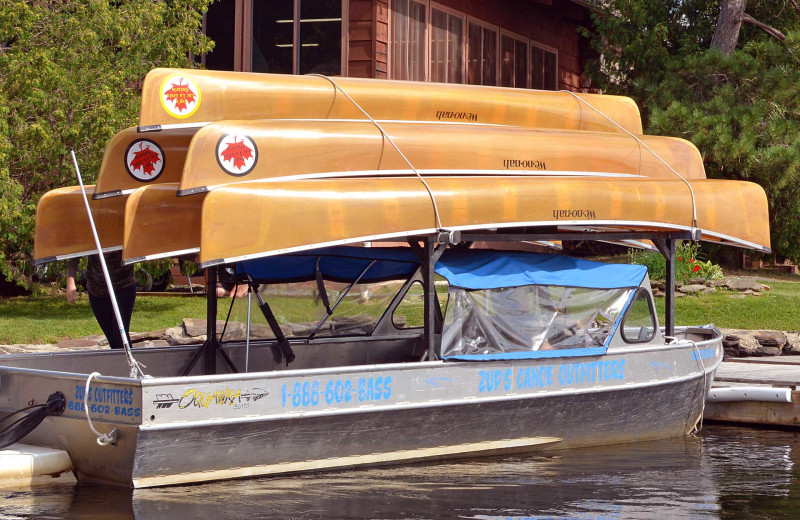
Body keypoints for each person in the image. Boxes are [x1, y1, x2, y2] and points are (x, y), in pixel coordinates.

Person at [66, 251, 136, 350]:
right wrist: (70, 282)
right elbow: (75, 251)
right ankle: (119, 363)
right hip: (97, 289)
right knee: (112, 339)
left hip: (123, 286)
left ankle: (129, 362)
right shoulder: (89, 235)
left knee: (120, 336)